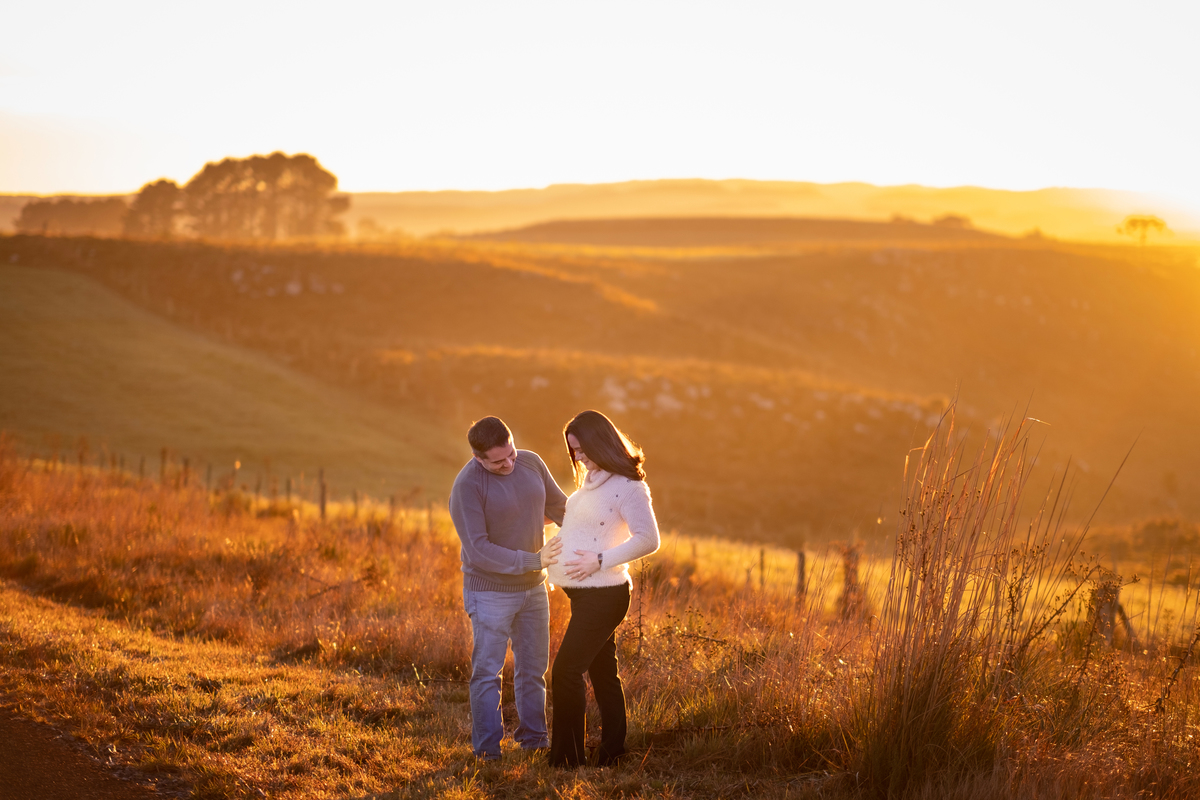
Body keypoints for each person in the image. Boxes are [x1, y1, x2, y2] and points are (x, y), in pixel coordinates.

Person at [545, 410, 660, 768]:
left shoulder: (629, 487)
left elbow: (649, 539)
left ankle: (567, 760)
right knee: (603, 673)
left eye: (582, 449)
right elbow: (580, 527)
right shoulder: (592, 481)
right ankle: (613, 752)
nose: (578, 457)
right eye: (573, 451)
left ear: (600, 443)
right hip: (584, 594)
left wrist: (599, 559)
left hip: (605, 594)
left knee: (565, 671)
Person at [448, 416, 567, 761]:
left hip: (534, 589)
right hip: (490, 593)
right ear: (478, 457)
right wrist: (534, 560)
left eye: (511, 454)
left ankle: (535, 741)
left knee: (534, 670)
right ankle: (487, 752)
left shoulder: (531, 463)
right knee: (488, 673)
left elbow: (561, 508)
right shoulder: (467, 486)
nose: (509, 464)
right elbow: (478, 549)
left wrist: (595, 531)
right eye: (499, 462)